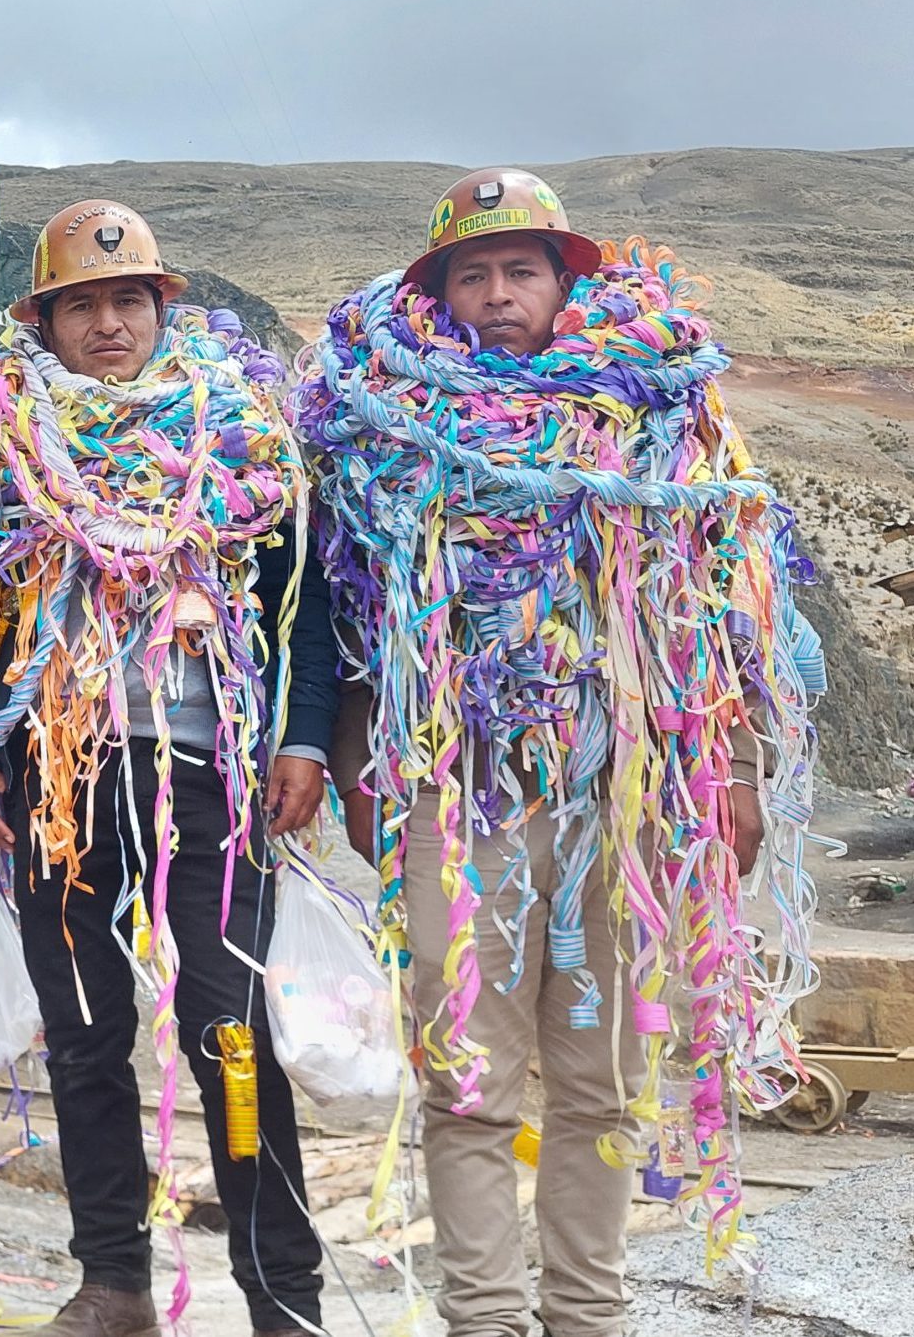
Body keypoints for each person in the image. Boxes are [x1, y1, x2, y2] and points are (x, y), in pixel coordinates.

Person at [297, 169, 821, 1337]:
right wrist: (357, 770)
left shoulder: (660, 426)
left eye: (517, 270)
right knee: (467, 1074)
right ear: (435, 296)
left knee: (597, 1083)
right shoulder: (373, 440)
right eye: (469, 275)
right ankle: (483, 1318)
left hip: (613, 799)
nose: (494, 295)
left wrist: (731, 771)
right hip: (451, 793)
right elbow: (340, 612)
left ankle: (589, 1315)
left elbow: (714, 613)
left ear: (561, 280)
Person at [0, 202, 334, 1337]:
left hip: (206, 774)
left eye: (125, 300)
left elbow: (306, 605)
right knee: (81, 1032)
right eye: (79, 305)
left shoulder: (243, 436)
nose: (104, 323)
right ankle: (111, 1280)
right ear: (44, 321)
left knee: (228, 1028)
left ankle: (279, 1291)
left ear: (163, 307)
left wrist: (300, 739)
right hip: (56, 781)